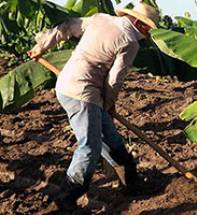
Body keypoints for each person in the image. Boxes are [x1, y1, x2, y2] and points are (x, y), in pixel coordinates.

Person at [27, 3, 160, 211]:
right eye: (149, 28)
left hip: (67, 85)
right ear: (140, 24)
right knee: (90, 147)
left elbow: (68, 26)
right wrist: (109, 104)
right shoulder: (129, 42)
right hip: (83, 93)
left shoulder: (101, 19)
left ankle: (131, 181)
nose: (149, 33)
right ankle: (67, 197)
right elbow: (114, 81)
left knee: (109, 136)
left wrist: (42, 46)